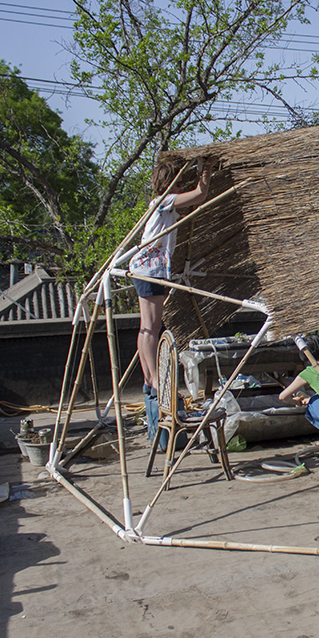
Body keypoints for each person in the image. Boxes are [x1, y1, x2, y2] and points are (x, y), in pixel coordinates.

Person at [130, 155, 217, 447]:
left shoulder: (159, 204)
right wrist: (206, 171)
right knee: (151, 328)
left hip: (146, 268)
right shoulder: (164, 201)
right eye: (178, 181)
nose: (182, 185)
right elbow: (200, 195)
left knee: (147, 327)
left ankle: (148, 377)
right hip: (150, 269)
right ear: (170, 184)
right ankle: (154, 378)